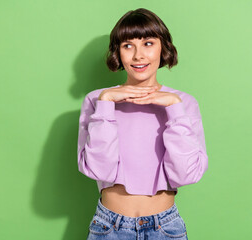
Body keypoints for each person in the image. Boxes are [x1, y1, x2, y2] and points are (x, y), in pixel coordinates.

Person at [77, 8, 208, 240]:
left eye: (148, 43)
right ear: (118, 52)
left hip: (165, 228)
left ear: (163, 47)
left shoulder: (183, 102)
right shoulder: (97, 99)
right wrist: (106, 103)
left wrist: (174, 108)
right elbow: (98, 169)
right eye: (128, 45)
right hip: (108, 227)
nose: (138, 55)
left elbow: (186, 174)